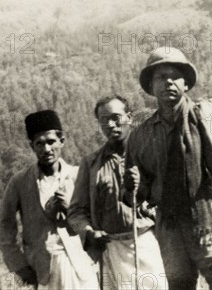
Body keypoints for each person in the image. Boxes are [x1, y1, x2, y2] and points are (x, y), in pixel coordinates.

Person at [124, 47, 212, 290]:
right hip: (169, 226)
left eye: (174, 76)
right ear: (151, 86)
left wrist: (205, 123)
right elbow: (135, 193)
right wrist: (135, 191)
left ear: (186, 83)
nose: (168, 81)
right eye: (160, 77)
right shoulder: (140, 136)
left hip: (209, 216)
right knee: (179, 285)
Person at [68, 95, 167, 290]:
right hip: (111, 249)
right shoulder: (91, 163)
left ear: (129, 117)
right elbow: (76, 211)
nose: (111, 124)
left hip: (148, 242)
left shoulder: (150, 153)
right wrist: (88, 233)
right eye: (104, 120)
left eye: (116, 117)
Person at [0, 110, 99, 289]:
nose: (47, 149)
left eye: (51, 142)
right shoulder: (21, 181)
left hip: (80, 266)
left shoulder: (78, 175)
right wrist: (19, 266)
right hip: (43, 271)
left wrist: (93, 253)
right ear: (32, 147)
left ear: (62, 141)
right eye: (39, 144)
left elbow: (97, 216)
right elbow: (3, 225)